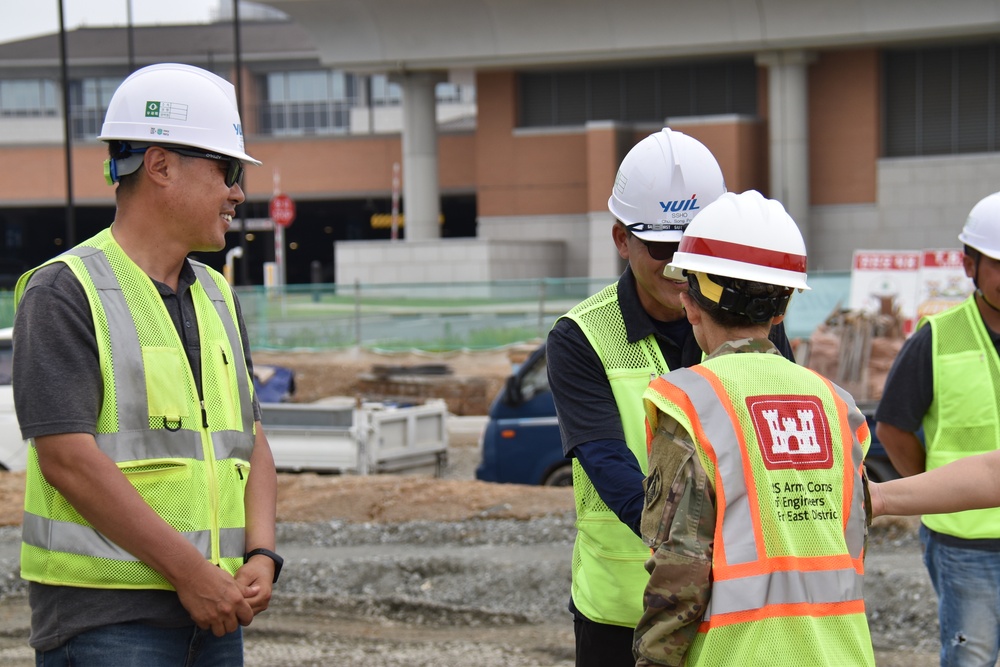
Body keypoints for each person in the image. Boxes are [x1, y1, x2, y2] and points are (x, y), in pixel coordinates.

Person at [11, 63, 280, 665]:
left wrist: (262, 553)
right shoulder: (64, 291)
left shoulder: (215, 294)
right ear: (160, 166)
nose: (238, 192)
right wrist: (191, 573)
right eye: (228, 170)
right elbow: (68, 460)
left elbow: (250, 438)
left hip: (214, 610)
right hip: (107, 620)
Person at [546, 128, 796, 666]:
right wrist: (696, 541)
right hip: (622, 609)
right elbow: (606, 460)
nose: (679, 264)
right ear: (620, 238)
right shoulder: (581, 337)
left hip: (736, 602)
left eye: (693, 244)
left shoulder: (752, 323)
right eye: (662, 247)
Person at [635, 189, 875, 666]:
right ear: (782, 308)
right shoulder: (839, 407)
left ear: (691, 303)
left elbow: (679, 570)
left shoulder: (690, 405)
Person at [875, 190, 1000, 667]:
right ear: (970, 265)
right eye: (999, 263)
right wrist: (938, 488)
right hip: (964, 542)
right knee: (973, 656)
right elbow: (892, 428)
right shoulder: (938, 338)